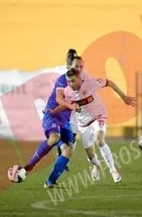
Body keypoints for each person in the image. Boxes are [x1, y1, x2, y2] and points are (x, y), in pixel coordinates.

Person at [8, 55, 102, 184]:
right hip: (53, 116)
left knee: (69, 150)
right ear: (69, 67)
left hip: (66, 122)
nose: (78, 68)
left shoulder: (83, 83)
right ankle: (28, 168)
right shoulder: (64, 80)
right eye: (76, 66)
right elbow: (59, 99)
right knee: (55, 137)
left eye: (81, 66)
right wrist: (62, 109)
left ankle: (50, 182)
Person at [55, 68, 137, 184]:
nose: (70, 84)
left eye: (72, 81)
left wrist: (124, 98)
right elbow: (66, 105)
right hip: (83, 125)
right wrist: (53, 111)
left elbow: (109, 82)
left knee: (99, 140)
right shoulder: (68, 92)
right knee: (91, 155)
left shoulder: (90, 83)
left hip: (98, 116)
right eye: (68, 82)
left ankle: (113, 170)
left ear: (79, 79)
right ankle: (96, 166)